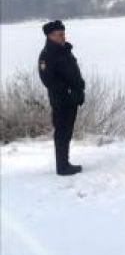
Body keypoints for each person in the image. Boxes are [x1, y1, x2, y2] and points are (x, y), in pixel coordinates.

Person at [38, 20, 86, 175]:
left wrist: (80, 88)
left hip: (72, 100)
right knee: (62, 133)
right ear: (50, 36)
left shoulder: (64, 51)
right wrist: (68, 93)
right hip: (61, 101)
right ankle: (62, 167)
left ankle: (65, 163)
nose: (63, 37)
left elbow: (73, 73)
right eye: (59, 34)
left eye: (63, 34)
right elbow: (48, 80)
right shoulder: (47, 55)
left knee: (67, 132)